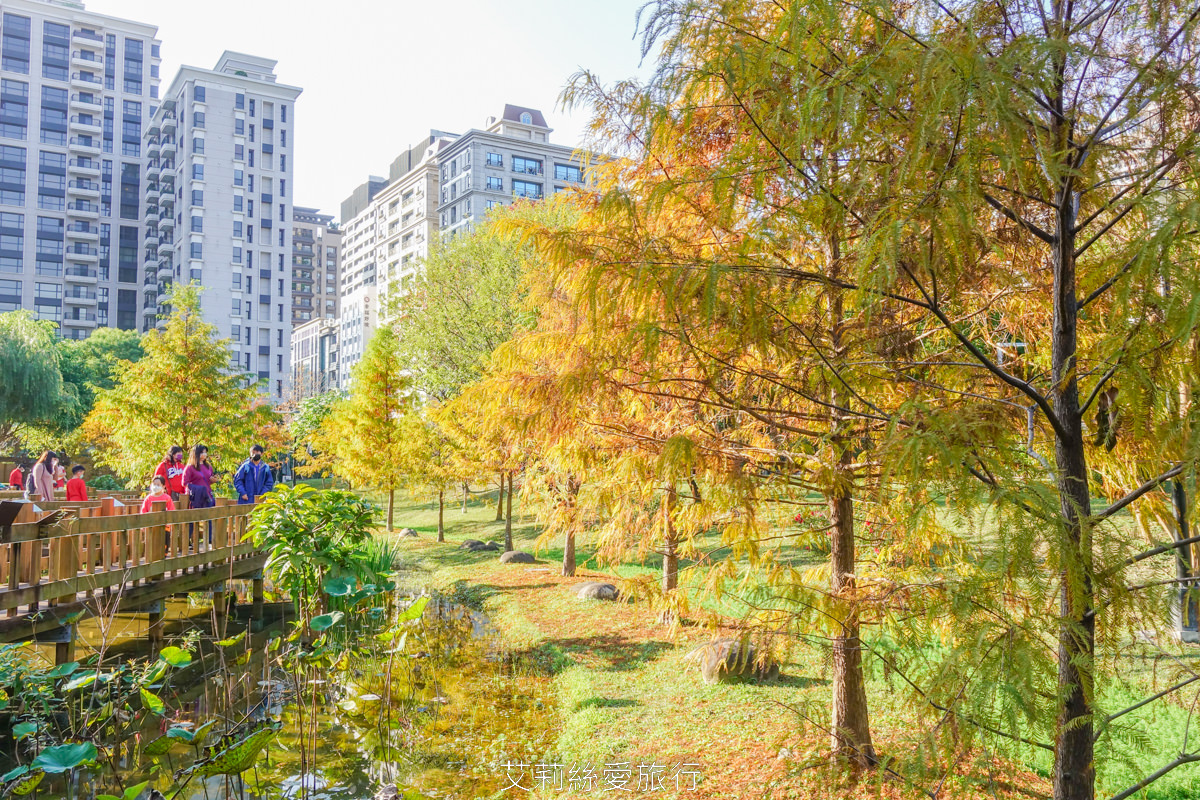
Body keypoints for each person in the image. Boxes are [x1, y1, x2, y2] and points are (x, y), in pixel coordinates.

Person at [182, 444, 215, 510]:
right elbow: (184, 483)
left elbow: (208, 480)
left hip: (207, 496)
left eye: (205, 452)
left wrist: (213, 480)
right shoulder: (190, 467)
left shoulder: (208, 466)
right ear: (197, 453)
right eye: (202, 452)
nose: (204, 454)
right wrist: (197, 489)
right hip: (195, 497)